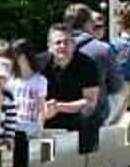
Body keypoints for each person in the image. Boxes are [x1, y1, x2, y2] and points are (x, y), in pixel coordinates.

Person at [38, 23, 102, 153]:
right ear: (49, 46)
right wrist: (43, 109)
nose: (63, 46)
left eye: (67, 42)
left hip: (76, 118)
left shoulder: (87, 65)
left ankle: (85, 159)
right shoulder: (38, 64)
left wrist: (59, 107)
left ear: (74, 45)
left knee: (88, 116)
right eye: (58, 42)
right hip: (44, 117)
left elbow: (90, 101)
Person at [64, 2, 124, 126]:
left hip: (59, 114)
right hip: (94, 117)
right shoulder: (103, 49)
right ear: (89, 23)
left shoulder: (55, 49)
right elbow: (116, 86)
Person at [0, 39, 47, 139]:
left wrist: (40, 130)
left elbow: (41, 108)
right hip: (13, 123)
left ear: (23, 56)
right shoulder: (11, 80)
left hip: (30, 125)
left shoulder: (40, 80)